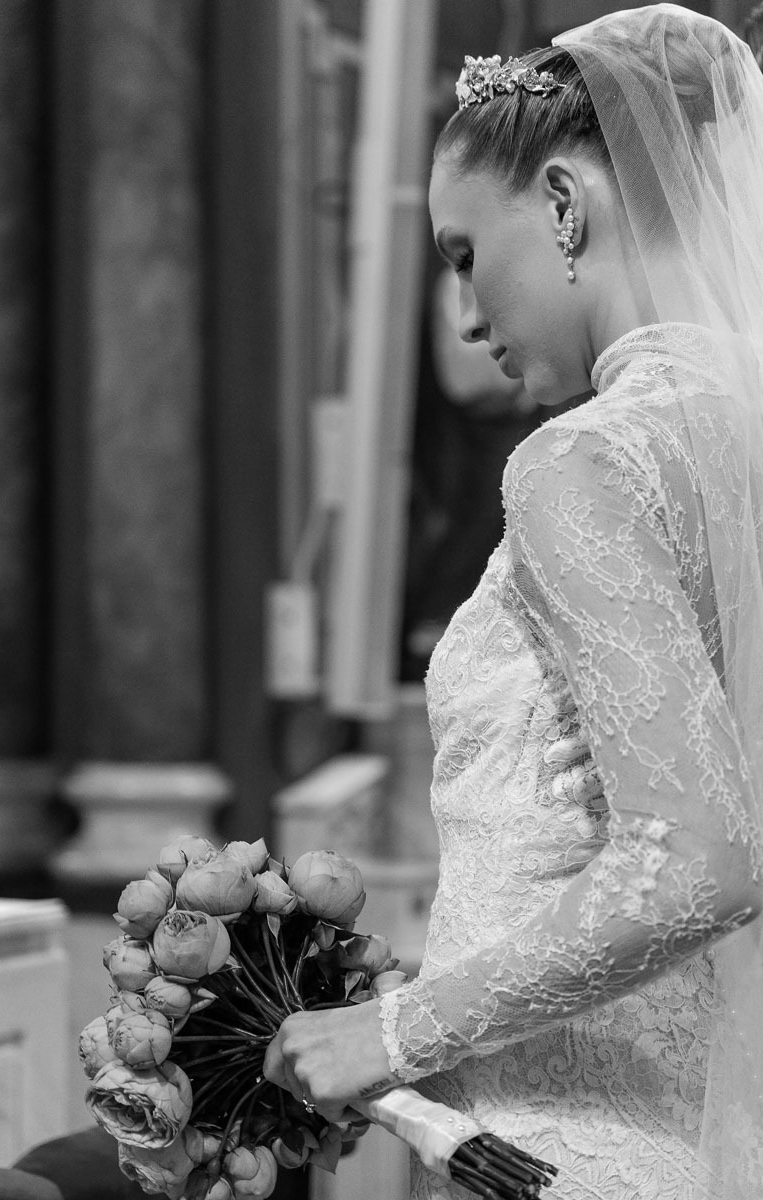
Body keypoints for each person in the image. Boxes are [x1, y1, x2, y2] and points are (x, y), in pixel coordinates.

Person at [264, 6, 763, 1198]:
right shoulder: (736, 443)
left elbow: (699, 860)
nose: (467, 319)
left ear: (563, 204)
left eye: (462, 255)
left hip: (574, 1145)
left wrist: (389, 1035)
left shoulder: (584, 462)